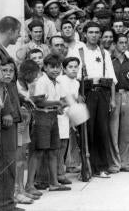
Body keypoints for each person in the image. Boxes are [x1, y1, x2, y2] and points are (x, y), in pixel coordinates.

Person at [0, 16, 23, 211]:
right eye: (18, 32)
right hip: (4, 116)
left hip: (11, 112)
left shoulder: (0, 51)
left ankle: (6, 202)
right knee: (5, 160)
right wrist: (6, 111)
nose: (19, 36)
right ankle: (3, 205)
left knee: (9, 159)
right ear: (10, 31)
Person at [75, 22, 117, 179]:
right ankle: (87, 167)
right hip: (86, 93)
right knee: (87, 130)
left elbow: (111, 78)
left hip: (103, 93)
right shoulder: (78, 51)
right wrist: (77, 95)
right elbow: (73, 76)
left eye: (97, 32)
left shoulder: (104, 52)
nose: (94, 35)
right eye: (91, 32)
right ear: (85, 34)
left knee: (102, 130)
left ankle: (102, 167)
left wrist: (112, 99)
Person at [26, 54, 70, 193]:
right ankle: (29, 185)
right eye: (52, 67)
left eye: (58, 67)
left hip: (52, 117)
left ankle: (54, 183)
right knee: (37, 152)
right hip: (41, 116)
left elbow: (62, 100)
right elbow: (38, 101)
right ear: (45, 67)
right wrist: (57, 103)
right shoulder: (42, 81)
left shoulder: (58, 82)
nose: (56, 70)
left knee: (53, 151)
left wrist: (60, 107)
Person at [108, 35, 129, 172]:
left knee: (127, 129)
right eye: (121, 43)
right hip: (114, 94)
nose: (124, 45)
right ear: (115, 44)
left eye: (126, 43)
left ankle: (126, 161)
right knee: (113, 130)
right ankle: (114, 162)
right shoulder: (109, 61)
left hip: (127, 94)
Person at [15, 60, 41, 202]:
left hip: (26, 123)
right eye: (35, 75)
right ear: (28, 73)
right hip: (19, 124)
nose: (36, 78)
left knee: (22, 159)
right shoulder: (16, 84)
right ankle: (16, 191)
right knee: (18, 160)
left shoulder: (26, 84)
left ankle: (21, 189)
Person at [55, 57, 80, 185]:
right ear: (64, 69)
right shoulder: (60, 80)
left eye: (76, 66)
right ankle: (58, 174)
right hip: (59, 115)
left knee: (65, 144)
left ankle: (61, 172)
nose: (74, 69)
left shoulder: (76, 83)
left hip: (68, 116)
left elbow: (72, 102)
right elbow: (60, 99)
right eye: (70, 67)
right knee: (59, 145)